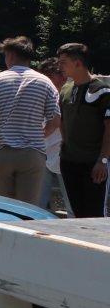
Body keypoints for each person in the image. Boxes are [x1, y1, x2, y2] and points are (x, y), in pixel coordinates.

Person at [0, 36, 60, 206]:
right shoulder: (45, 82)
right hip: (32, 152)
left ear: (11, 55)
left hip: (2, 151)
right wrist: (40, 134)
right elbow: (55, 120)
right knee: (27, 207)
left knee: (4, 205)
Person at [55, 43, 110, 217]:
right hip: (69, 161)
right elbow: (61, 120)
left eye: (63, 62)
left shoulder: (102, 90)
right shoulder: (65, 89)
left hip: (93, 164)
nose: (59, 66)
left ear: (78, 63)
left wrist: (102, 160)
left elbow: (109, 128)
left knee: (95, 214)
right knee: (77, 214)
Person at [35, 57, 70, 213]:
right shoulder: (41, 95)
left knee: (72, 207)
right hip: (42, 156)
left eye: (48, 76)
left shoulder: (71, 95)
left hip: (67, 157)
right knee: (36, 207)